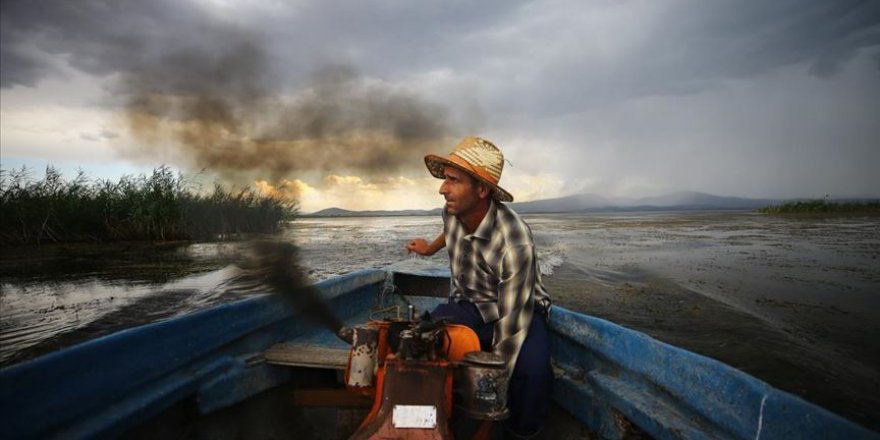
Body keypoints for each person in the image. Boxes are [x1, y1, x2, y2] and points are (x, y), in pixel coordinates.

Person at [406, 136, 552, 439]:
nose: (442, 189)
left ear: (482, 190)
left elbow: (512, 326)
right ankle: (425, 421)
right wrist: (430, 248)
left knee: (532, 374)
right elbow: (450, 230)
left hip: (514, 309)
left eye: (454, 181)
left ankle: (517, 433)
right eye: (445, 179)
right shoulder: (453, 211)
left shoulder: (514, 242)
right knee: (419, 341)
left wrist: (491, 383)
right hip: (469, 305)